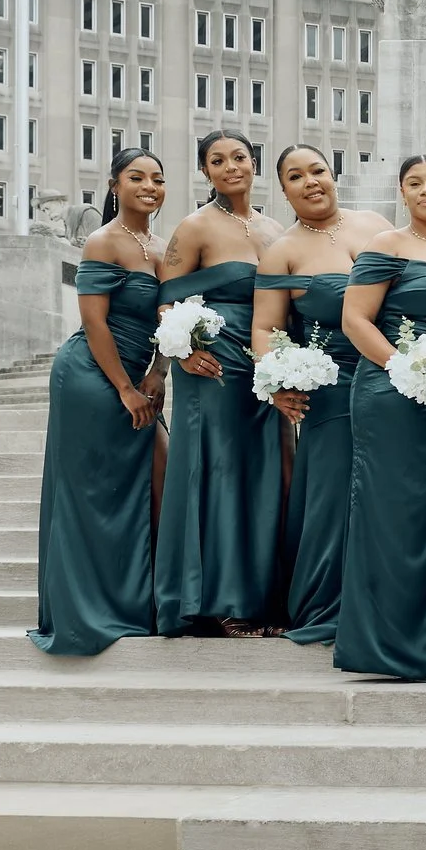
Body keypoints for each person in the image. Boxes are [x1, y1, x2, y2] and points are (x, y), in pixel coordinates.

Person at [332, 156, 426, 680]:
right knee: (395, 516)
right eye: (415, 183)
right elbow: (354, 318)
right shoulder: (385, 247)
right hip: (393, 392)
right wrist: (404, 366)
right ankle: (392, 647)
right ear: (402, 193)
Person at [30, 149, 169, 655]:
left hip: (137, 375)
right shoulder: (102, 241)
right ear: (114, 184)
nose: (149, 186)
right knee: (90, 494)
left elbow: (172, 322)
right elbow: (93, 324)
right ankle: (86, 610)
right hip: (91, 376)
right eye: (137, 178)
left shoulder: (163, 246)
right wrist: (126, 388)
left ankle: (145, 603)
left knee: (158, 476)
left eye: (157, 178)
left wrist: (157, 373)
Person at [251, 144, 389, 647]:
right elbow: (264, 329)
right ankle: (327, 602)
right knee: (333, 497)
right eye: (295, 176)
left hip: (397, 380)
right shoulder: (282, 251)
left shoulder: (375, 226)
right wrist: (278, 383)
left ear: (334, 175)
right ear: (283, 189)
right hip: (331, 388)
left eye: (318, 170)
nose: (310, 181)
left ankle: (388, 600)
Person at [153, 132, 286, 636]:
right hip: (212, 367)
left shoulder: (274, 228)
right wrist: (183, 353)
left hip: (265, 364)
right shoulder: (194, 227)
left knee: (261, 473)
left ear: (253, 165)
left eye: (239, 158)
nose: (231, 167)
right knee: (220, 470)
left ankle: (258, 596)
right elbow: (164, 301)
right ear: (205, 172)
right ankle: (216, 600)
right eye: (217, 161)